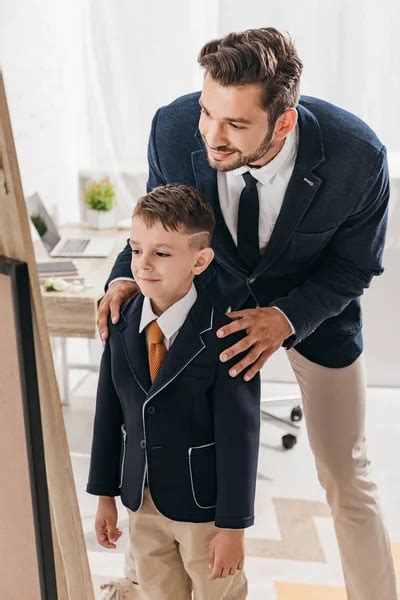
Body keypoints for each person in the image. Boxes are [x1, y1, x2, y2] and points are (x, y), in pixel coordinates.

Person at [98, 27, 398, 599]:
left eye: (236, 124)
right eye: (208, 112)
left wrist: (285, 318)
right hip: (206, 316)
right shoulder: (171, 127)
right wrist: (120, 275)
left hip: (317, 323)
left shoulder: (358, 157)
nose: (212, 135)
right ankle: (140, 582)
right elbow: (158, 224)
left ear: (283, 122)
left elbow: (355, 269)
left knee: (346, 475)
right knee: (151, 441)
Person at [87, 184, 261, 600]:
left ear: (200, 260)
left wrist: (233, 526)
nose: (143, 265)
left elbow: (240, 437)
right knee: (157, 593)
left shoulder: (227, 334)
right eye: (136, 249)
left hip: (204, 511)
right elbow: (109, 414)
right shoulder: (122, 319)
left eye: (161, 253)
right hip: (140, 501)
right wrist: (105, 496)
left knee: (218, 593)